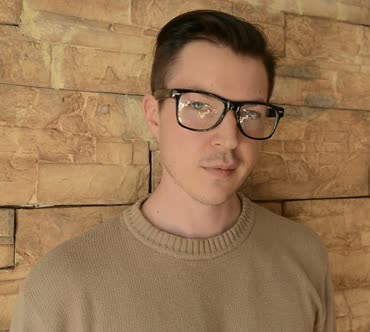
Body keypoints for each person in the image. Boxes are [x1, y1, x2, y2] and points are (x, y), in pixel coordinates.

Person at [10, 10, 335, 331]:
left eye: (250, 113)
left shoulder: (304, 256)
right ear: (153, 115)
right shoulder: (62, 288)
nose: (229, 139)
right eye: (199, 106)